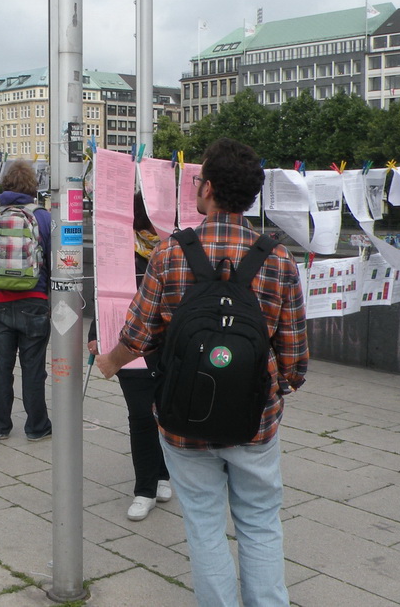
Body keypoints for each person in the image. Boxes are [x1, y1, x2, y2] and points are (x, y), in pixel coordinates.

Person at [97, 137, 307, 606]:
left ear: (208, 187)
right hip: (255, 422)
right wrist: (268, 388)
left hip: (184, 419)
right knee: (260, 522)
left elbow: (137, 336)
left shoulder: (170, 254)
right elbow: (295, 362)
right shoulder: (279, 259)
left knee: (205, 526)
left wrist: (109, 362)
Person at [87, 193, 171, 520]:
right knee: (140, 414)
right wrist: (96, 333)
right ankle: (144, 489)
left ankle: (163, 474)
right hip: (129, 342)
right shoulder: (120, 248)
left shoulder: (176, 247)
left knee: (165, 412)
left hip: (168, 344)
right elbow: (105, 292)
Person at [0, 161, 53, 441]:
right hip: (35, 300)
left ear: (5, 185)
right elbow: (55, 262)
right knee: (34, 368)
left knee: (1, 367)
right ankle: (37, 426)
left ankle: (0, 424)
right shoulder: (43, 217)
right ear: (32, 187)